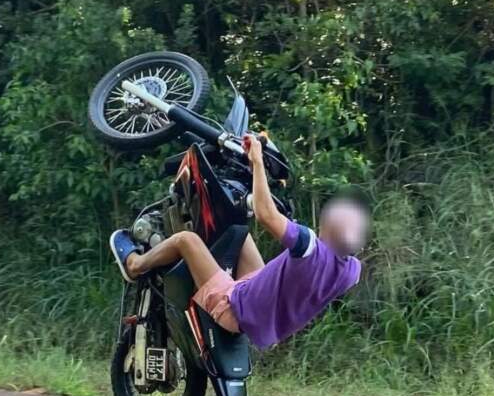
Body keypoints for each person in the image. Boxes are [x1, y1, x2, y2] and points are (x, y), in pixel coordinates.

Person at [109, 135, 368, 349]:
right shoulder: (351, 270)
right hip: (258, 307)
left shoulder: (309, 247)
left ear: (327, 230)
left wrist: (256, 161)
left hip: (233, 307)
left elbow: (267, 216)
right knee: (238, 231)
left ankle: (136, 264)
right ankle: (201, 272)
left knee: (187, 240)